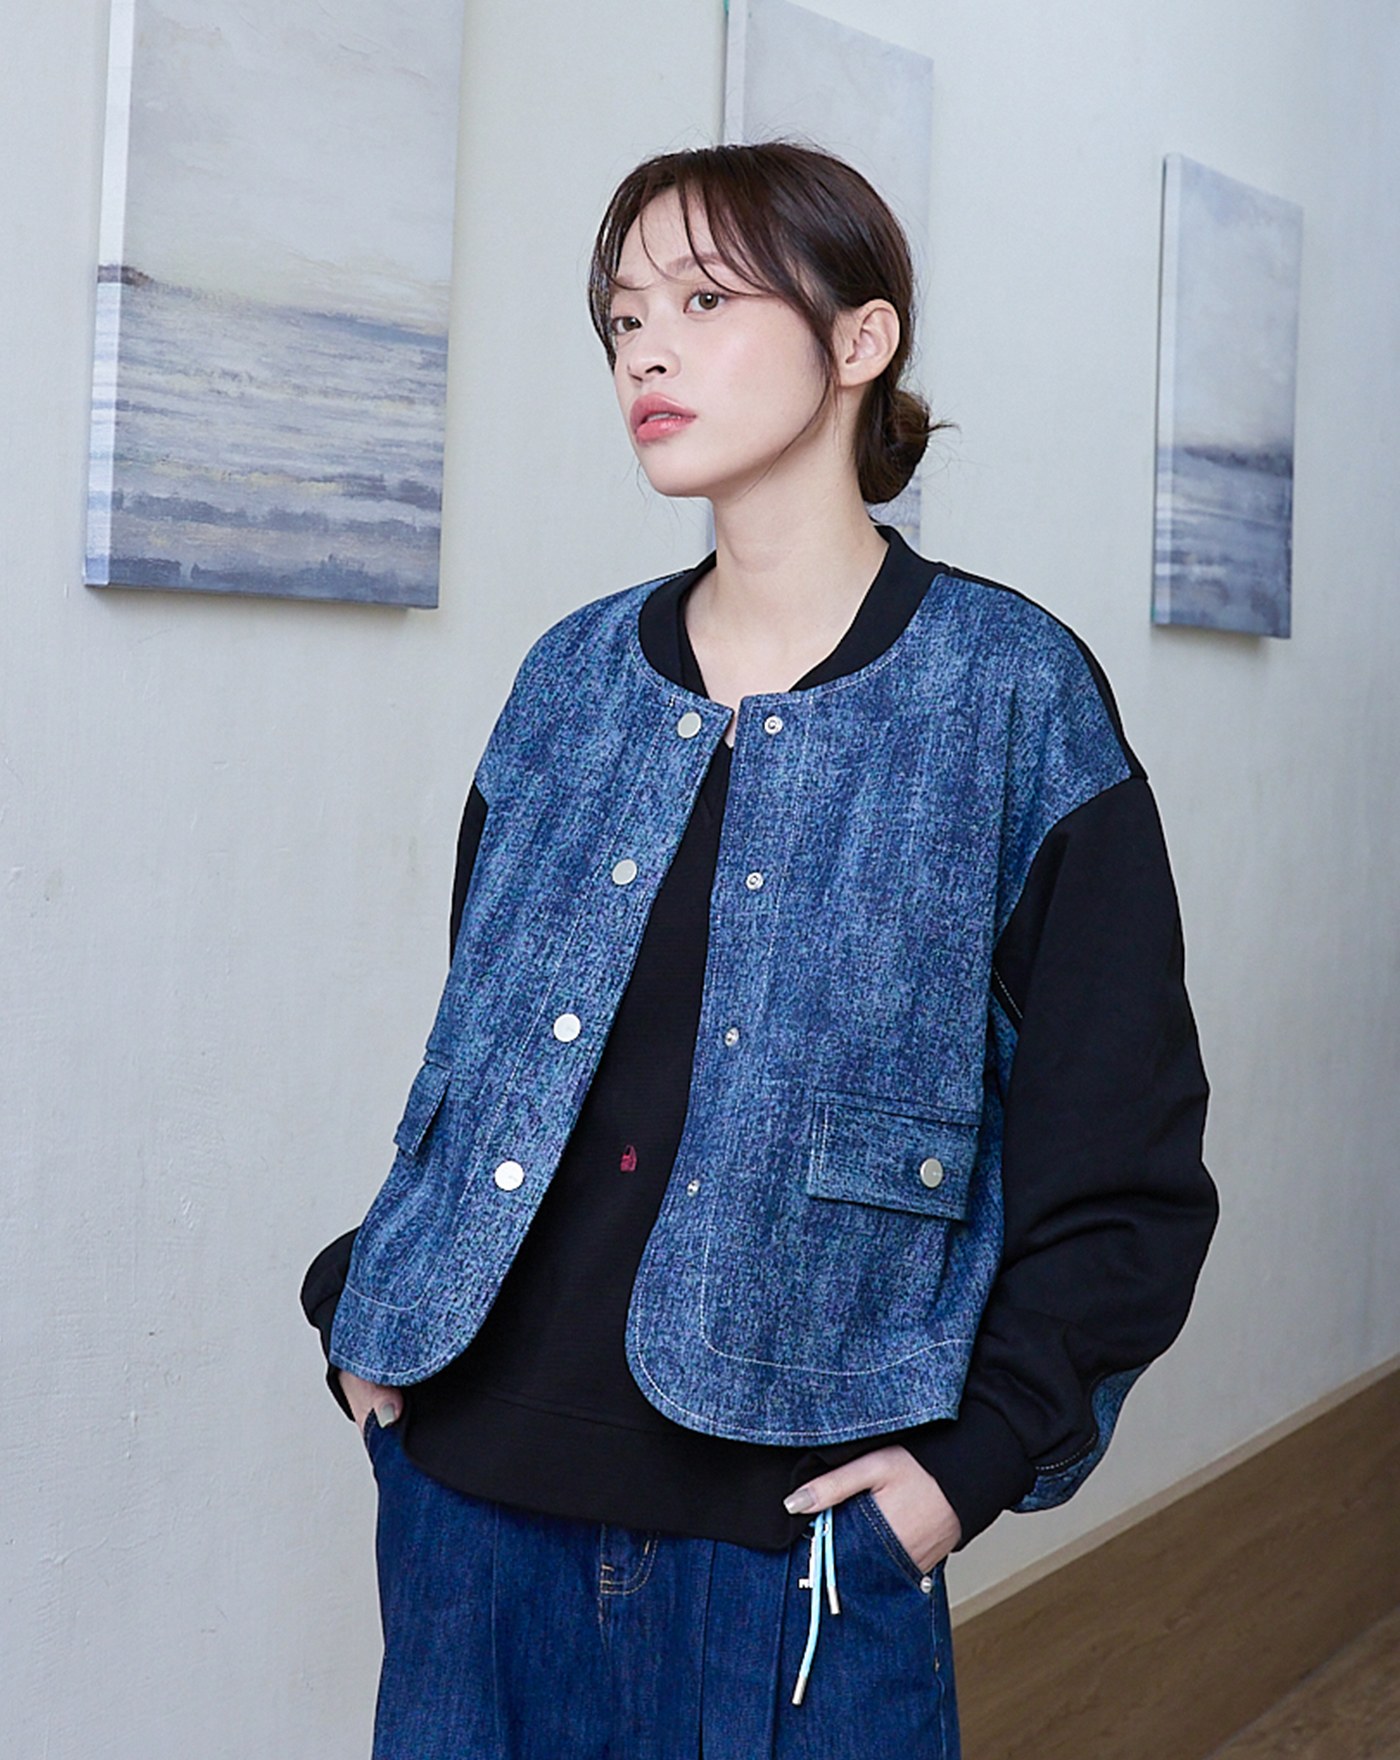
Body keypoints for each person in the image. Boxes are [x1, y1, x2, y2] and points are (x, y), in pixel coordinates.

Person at [301, 140, 1218, 1759]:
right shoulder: (568, 682)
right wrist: (363, 1323)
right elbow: (489, 1064)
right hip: (465, 1510)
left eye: (704, 302)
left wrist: (962, 1474)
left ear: (860, 339)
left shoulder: (1012, 698)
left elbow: (1123, 1164)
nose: (644, 351)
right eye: (622, 316)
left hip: (797, 1554)